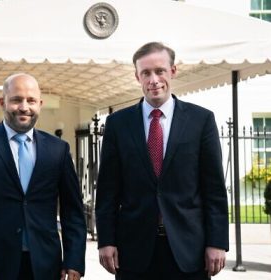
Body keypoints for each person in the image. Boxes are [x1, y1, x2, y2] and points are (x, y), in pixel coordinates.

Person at [95, 42, 228, 280]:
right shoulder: (118, 124)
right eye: (146, 73)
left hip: (189, 251)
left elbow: (214, 190)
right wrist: (105, 240)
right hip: (134, 251)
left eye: (160, 71)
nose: (153, 80)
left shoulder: (201, 121)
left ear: (173, 71)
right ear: (137, 77)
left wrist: (217, 242)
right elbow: (107, 191)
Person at [0, 73, 86, 280]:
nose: (24, 107)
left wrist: (74, 260)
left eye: (31, 100)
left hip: (45, 266)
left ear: (40, 104)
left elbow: (73, 211)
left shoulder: (58, 150)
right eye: (16, 100)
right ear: (3, 102)